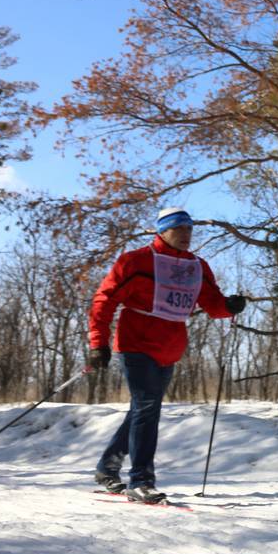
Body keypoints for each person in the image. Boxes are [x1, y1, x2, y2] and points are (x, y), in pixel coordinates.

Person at [87, 207, 246, 504]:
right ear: (162, 231)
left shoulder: (197, 266)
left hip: (170, 348)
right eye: (179, 230)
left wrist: (230, 306)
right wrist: (99, 343)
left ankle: (107, 467)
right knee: (148, 407)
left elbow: (213, 305)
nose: (186, 235)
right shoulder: (135, 261)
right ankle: (141, 480)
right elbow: (104, 300)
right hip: (135, 343)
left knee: (141, 410)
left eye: (189, 230)